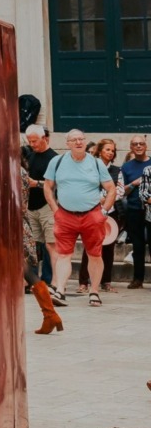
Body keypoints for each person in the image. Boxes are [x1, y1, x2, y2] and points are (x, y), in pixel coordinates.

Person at [43, 128, 117, 306]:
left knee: (95, 255)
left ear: (85, 141)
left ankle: (94, 292)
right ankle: (60, 291)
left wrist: (104, 212)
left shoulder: (96, 163)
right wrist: (55, 209)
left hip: (92, 215)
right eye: (74, 140)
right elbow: (47, 186)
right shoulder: (57, 161)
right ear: (67, 143)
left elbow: (111, 189)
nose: (78, 142)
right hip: (65, 215)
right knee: (63, 255)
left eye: (81, 139)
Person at [78, 138, 121, 295]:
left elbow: (120, 190)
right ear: (100, 150)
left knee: (108, 248)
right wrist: (98, 199)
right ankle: (83, 282)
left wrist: (109, 199)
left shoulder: (117, 170)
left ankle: (106, 281)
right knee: (89, 246)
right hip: (91, 210)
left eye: (112, 150)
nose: (110, 152)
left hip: (110, 213)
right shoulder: (90, 167)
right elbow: (84, 186)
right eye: (107, 149)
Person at [21, 124, 58, 287]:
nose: (32, 144)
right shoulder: (30, 155)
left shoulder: (54, 158)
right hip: (31, 207)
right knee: (33, 245)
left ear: (45, 138)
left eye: (35, 141)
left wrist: (36, 184)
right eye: (29, 141)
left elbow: (57, 183)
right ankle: (34, 281)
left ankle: (50, 281)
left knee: (50, 244)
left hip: (47, 206)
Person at [120, 135, 151, 289]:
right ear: (131, 147)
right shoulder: (126, 167)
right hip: (133, 209)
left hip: (150, 209)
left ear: (146, 146)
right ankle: (137, 279)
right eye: (135, 144)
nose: (138, 146)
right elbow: (122, 192)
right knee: (137, 246)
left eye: (141, 143)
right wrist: (134, 183)